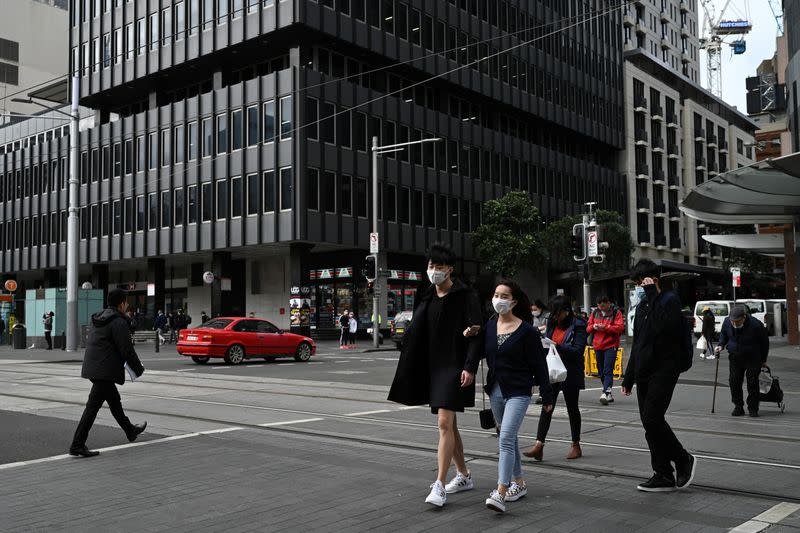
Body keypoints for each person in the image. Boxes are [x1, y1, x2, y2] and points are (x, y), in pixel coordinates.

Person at [388, 242, 482, 508]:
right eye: (431, 266)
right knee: (450, 425)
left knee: (443, 423)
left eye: (439, 267)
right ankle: (463, 475)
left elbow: (476, 333)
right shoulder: (427, 294)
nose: (433, 271)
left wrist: (470, 366)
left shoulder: (466, 296)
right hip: (431, 365)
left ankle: (439, 484)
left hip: (453, 365)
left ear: (450, 269)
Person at [621, 259, 696, 492]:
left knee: (653, 418)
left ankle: (683, 458)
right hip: (644, 370)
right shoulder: (643, 306)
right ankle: (662, 472)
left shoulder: (669, 300)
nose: (639, 288)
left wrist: (653, 293)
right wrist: (628, 376)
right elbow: (639, 344)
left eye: (640, 283)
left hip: (665, 369)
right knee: (648, 423)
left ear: (652, 279)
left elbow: (665, 327)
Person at [481, 280, 553, 513]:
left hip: (519, 391)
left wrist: (547, 394)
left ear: (513, 301)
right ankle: (519, 484)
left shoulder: (527, 331)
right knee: (508, 438)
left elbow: (539, 365)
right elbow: (481, 351)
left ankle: (501, 492)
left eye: (504, 295)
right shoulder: (490, 326)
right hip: (495, 390)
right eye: (496, 294)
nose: (498, 299)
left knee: (505, 439)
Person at [69, 288, 147, 458]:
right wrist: (138, 369)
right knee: (92, 408)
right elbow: (126, 349)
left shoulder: (101, 318)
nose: (127, 305)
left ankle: (130, 430)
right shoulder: (118, 322)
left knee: (114, 401)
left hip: (95, 367)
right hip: (104, 369)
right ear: (121, 304)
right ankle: (77, 445)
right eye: (126, 302)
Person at [524, 295, 587, 461]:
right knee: (547, 405)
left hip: (570, 372)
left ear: (566, 312)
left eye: (556, 312)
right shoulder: (552, 322)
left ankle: (575, 445)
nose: (553, 315)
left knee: (572, 407)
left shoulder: (579, 325)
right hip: (552, 369)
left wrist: (556, 345)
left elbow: (578, 351)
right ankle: (539, 445)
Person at [715, 305, 769, 417]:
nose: (734, 324)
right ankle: (738, 406)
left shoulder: (756, 325)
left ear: (744, 317)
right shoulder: (727, 321)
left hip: (753, 357)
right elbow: (724, 334)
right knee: (734, 381)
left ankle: (753, 408)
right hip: (735, 356)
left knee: (752, 382)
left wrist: (763, 359)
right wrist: (720, 345)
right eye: (732, 322)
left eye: (737, 322)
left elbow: (764, 343)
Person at [587, 296, 624, 405]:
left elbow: (620, 328)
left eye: (603, 305)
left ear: (608, 303)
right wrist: (593, 326)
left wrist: (606, 327)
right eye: (598, 306)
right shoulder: (594, 313)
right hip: (598, 345)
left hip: (611, 345)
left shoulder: (616, 313)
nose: (601, 308)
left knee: (608, 369)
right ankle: (608, 392)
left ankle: (605, 392)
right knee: (601, 371)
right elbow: (587, 328)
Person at [530, 299, 550, 405]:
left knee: (543, 370)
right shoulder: (531, 317)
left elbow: (547, 329)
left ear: (540, 307)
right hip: (534, 345)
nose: (533, 311)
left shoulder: (547, 316)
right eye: (532, 309)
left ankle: (543, 393)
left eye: (535, 309)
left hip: (545, 345)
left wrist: (537, 330)